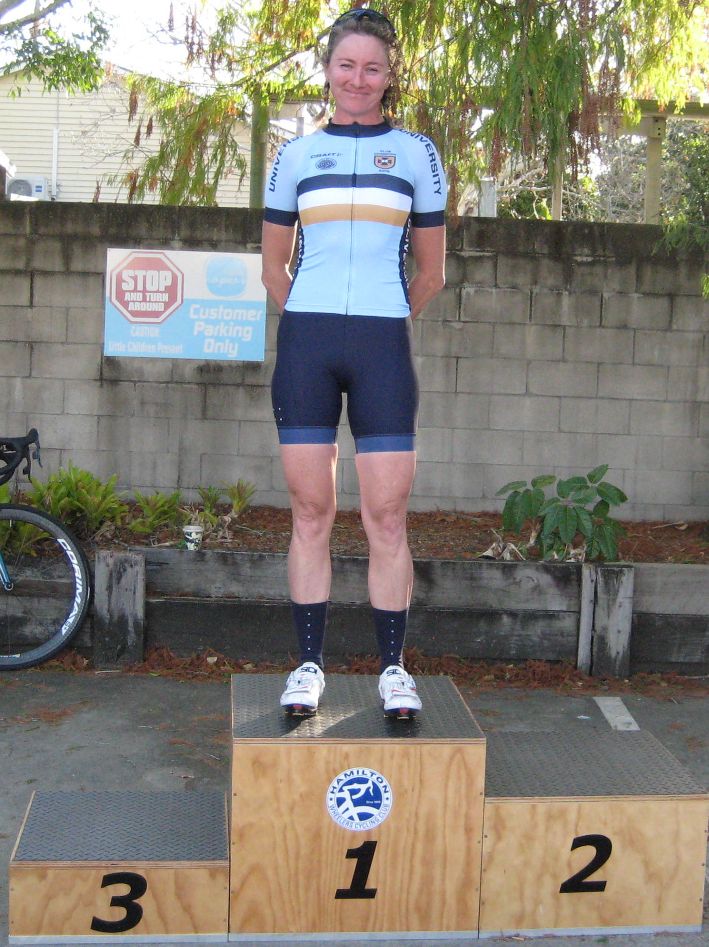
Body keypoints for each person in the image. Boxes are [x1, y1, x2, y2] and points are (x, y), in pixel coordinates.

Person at [261, 6, 447, 719]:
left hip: (382, 349)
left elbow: (430, 272)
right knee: (310, 510)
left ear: (389, 74)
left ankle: (393, 670)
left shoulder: (417, 154)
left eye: (372, 67)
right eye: (347, 65)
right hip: (307, 346)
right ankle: (308, 666)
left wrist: (381, 319)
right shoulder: (295, 156)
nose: (358, 79)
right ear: (329, 70)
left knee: (386, 515)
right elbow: (273, 267)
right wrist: (312, 321)